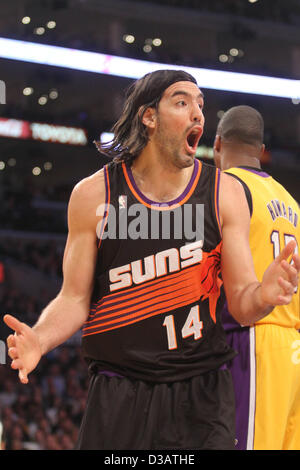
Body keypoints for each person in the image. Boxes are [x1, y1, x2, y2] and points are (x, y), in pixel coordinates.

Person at [4, 71, 300, 450]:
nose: (197, 113)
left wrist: (265, 294)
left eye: (200, 104)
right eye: (182, 102)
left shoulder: (224, 193)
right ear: (149, 116)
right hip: (119, 388)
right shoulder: (94, 195)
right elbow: (74, 298)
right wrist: (40, 340)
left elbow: (242, 304)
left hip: (202, 390)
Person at [213, 105, 300, 450]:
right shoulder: (291, 202)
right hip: (291, 344)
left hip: (251, 340)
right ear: (261, 151)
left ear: (217, 144)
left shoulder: (226, 188)